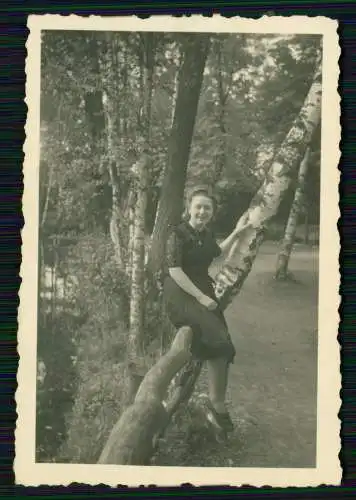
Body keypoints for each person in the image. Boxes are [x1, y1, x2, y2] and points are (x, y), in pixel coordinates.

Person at [163, 185, 250, 432]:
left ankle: (216, 403)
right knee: (217, 340)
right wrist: (202, 298)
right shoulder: (177, 234)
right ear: (189, 208)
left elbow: (217, 252)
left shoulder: (206, 234)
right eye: (198, 206)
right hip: (180, 293)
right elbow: (174, 271)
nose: (202, 211)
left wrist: (237, 232)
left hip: (202, 290)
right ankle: (213, 404)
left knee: (223, 343)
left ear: (212, 212)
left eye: (207, 208)